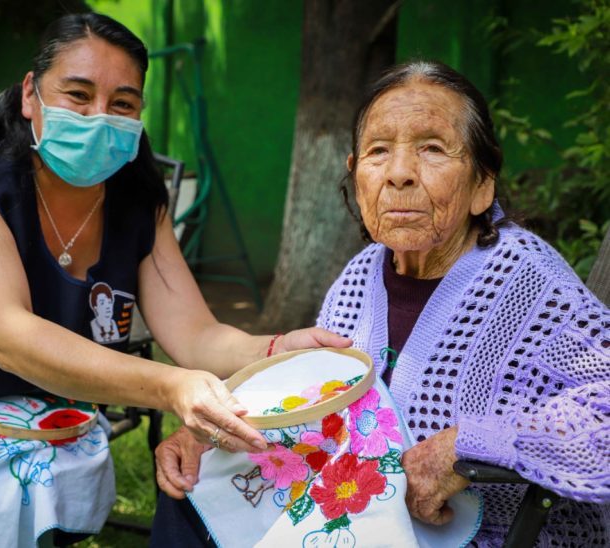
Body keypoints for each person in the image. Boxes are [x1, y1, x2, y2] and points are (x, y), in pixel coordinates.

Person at [0, 12, 350, 547]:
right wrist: (170, 386)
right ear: (30, 95)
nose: (99, 117)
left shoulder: (138, 199)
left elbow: (194, 335)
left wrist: (276, 347)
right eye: (77, 94)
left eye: (122, 104)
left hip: (15, 411)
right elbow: (9, 338)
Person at [151, 60, 609, 547]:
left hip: (481, 536)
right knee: (191, 492)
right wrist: (217, 433)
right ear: (355, 175)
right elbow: (323, 411)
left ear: (482, 184)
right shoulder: (362, 275)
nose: (398, 174)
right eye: (377, 151)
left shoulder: (529, 283)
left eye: (432, 148)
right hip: (361, 516)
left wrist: (465, 445)